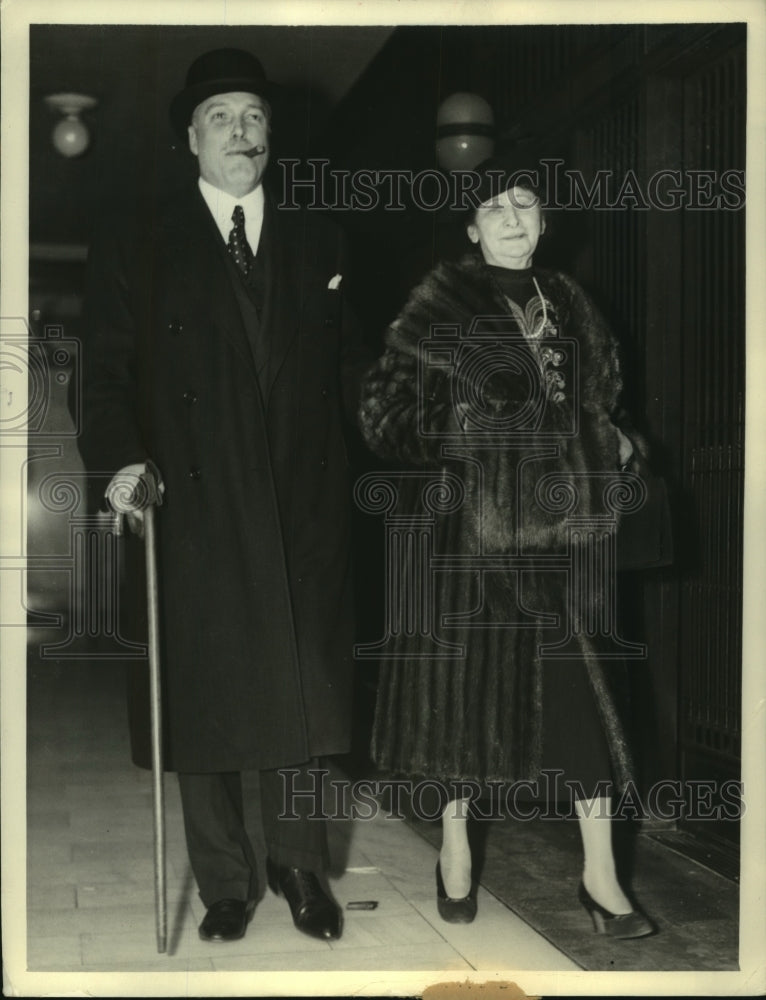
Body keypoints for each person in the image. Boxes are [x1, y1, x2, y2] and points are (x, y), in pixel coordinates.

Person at [77, 48, 369, 944]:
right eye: (220, 117)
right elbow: (109, 376)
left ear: (270, 135)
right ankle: (225, 883)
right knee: (202, 696)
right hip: (193, 499)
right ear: (189, 140)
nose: (241, 132)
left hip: (302, 498)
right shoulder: (139, 242)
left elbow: (360, 375)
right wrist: (122, 460)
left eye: (253, 117)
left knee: (305, 694)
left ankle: (300, 866)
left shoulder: (321, 239)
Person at [357, 158, 655, 939]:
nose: (513, 218)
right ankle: (455, 848)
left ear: (546, 220)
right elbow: (382, 413)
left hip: (565, 540)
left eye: (525, 203)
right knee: (464, 707)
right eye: (494, 207)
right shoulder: (442, 304)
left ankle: (602, 877)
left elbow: (604, 403)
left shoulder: (575, 305)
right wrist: (471, 439)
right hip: (471, 540)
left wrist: (619, 442)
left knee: (585, 704)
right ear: (471, 227)